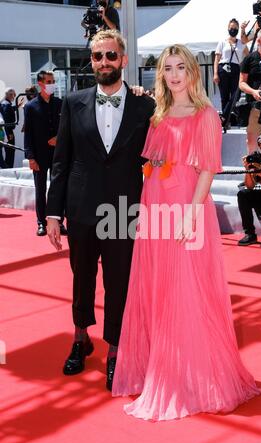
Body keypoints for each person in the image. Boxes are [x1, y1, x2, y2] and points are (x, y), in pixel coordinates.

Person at [112, 44, 261, 421]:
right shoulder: (159, 114)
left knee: (187, 291)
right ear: (161, 74)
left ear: (193, 72)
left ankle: (193, 377)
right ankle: (163, 368)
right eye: (168, 68)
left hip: (185, 211)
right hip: (155, 207)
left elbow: (208, 170)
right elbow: (153, 160)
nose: (174, 74)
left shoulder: (205, 114)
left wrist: (189, 215)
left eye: (181, 67)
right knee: (158, 289)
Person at [46, 30, 155, 391]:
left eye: (111, 56)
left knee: (119, 284)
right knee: (81, 280)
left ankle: (115, 350)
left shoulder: (145, 105)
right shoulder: (72, 101)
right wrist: (51, 213)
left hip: (124, 209)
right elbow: (60, 162)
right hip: (80, 207)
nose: (104, 62)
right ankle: (80, 338)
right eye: (97, 57)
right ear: (91, 61)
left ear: (124, 60)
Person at [24, 71, 66, 236]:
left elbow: (66, 127)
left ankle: (59, 222)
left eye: (53, 81)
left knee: (58, 189)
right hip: (39, 156)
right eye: (49, 81)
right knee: (40, 189)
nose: (52, 83)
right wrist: (30, 157)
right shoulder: (30, 106)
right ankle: (41, 222)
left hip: (58, 154)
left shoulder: (60, 103)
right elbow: (28, 133)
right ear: (41, 84)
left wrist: (59, 137)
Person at [214, 18, 248, 126]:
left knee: (236, 95)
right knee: (224, 97)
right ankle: (226, 121)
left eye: (235, 28)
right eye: (231, 28)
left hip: (236, 69)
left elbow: (248, 56)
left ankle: (223, 117)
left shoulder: (241, 43)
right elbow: (216, 59)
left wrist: (244, 67)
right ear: (228, 28)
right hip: (223, 68)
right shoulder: (222, 42)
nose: (233, 29)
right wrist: (215, 73)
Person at [0, 88, 20, 168]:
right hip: (8, 132)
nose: (14, 97)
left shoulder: (4, 103)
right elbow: (7, 119)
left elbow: (7, 111)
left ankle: (6, 167)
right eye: (13, 95)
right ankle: (8, 168)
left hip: (6, 131)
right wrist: (10, 132)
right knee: (10, 151)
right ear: (9, 95)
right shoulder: (7, 104)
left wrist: (16, 107)